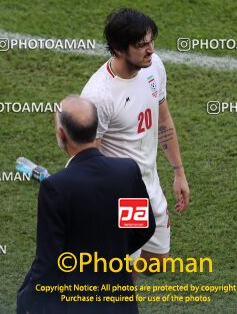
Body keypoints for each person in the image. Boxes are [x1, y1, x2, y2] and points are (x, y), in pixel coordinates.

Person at [17, 95, 156, 314]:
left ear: (62, 135)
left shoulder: (55, 188)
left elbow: (48, 262)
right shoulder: (127, 171)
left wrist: (26, 302)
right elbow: (144, 229)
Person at [81, 8, 190, 276]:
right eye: (141, 45)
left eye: (151, 41)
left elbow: (162, 119)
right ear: (118, 49)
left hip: (149, 183)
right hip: (124, 196)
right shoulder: (99, 96)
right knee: (124, 277)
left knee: (156, 264)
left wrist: (178, 172)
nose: (150, 50)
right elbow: (87, 157)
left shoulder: (154, 67)